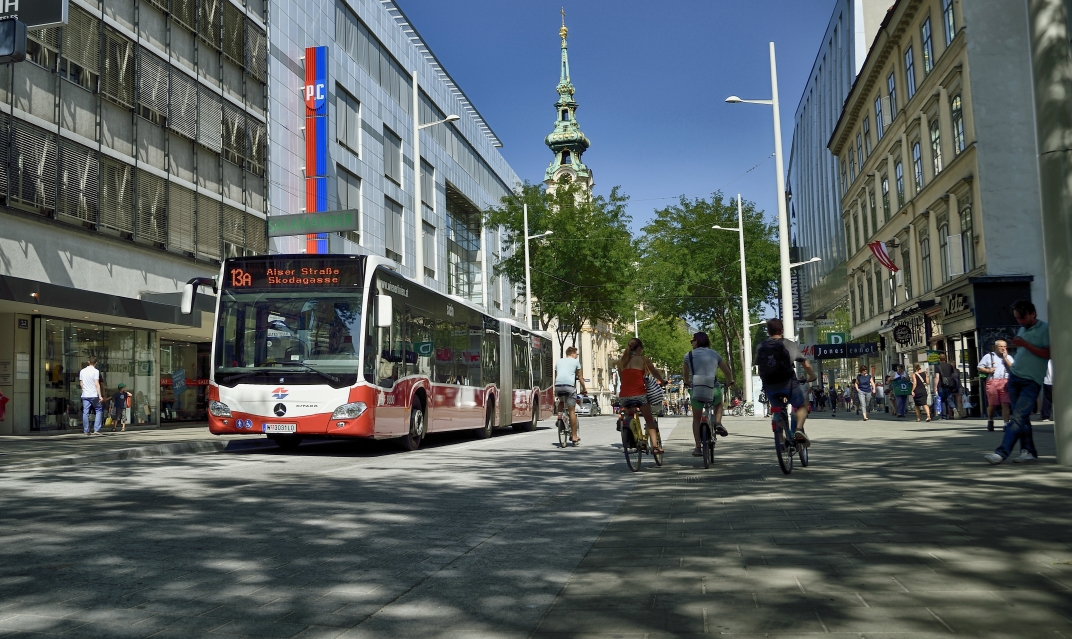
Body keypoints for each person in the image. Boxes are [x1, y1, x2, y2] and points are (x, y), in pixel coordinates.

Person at [985, 300, 1050, 464]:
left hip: (1031, 380)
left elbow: (1047, 353)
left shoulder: (1045, 329)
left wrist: (1024, 344)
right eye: (1017, 318)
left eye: (1022, 317)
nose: (1019, 321)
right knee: (1022, 418)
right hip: (1015, 377)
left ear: (1032, 314)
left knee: (1017, 417)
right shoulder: (1022, 328)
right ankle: (1028, 451)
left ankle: (1001, 452)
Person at [756, 318, 816, 446]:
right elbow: (805, 362)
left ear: (768, 331)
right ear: (782, 330)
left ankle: (781, 440)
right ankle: (799, 429)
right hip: (788, 383)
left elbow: (760, 371)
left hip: (770, 385)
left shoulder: (760, 347)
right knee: (801, 406)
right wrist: (812, 375)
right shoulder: (790, 344)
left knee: (777, 410)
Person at [683, 332, 734, 456]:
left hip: (697, 390)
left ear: (697, 341)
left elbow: (685, 374)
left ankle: (697, 447)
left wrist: (687, 382)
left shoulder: (688, 355)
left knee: (696, 419)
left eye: (692, 341)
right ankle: (717, 423)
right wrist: (729, 381)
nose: (692, 343)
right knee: (718, 404)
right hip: (713, 389)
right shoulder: (714, 354)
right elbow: (727, 371)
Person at [617, 338, 666, 454]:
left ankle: (632, 434)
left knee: (630, 414)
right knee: (649, 420)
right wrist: (662, 381)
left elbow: (622, 379)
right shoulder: (643, 360)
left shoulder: (620, 362)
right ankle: (654, 446)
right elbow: (654, 372)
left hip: (624, 395)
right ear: (639, 348)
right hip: (639, 394)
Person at [554, 346, 588, 446]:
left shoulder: (559, 361)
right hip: (569, 387)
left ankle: (559, 417)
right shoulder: (575, 362)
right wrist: (584, 389)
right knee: (571, 411)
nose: (577, 356)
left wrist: (554, 390)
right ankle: (574, 436)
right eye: (576, 354)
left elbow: (556, 377)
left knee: (561, 401)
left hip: (558, 387)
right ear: (572, 353)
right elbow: (580, 377)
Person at [978, 340, 1012, 431]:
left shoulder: (1008, 357)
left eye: (1004, 346)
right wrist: (988, 371)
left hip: (1005, 381)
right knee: (992, 404)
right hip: (992, 381)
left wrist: (1006, 359)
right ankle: (990, 420)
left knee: (1005, 403)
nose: (1003, 348)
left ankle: (1006, 424)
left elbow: (1013, 368)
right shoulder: (989, 356)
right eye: (1001, 346)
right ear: (995, 347)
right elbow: (980, 367)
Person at [79, 357, 104, 436]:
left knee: (85, 412)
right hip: (93, 394)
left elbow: (81, 383)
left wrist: (84, 390)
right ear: (96, 363)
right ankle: (96, 429)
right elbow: (97, 384)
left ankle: (86, 430)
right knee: (99, 409)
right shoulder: (96, 371)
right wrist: (100, 395)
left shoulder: (82, 371)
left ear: (88, 362)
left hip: (85, 394)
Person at [934, 353, 960, 420]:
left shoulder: (937, 366)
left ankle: (944, 416)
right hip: (949, 385)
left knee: (943, 400)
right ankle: (954, 408)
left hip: (941, 385)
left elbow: (937, 377)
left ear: (939, 359)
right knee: (949, 398)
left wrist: (935, 387)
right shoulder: (950, 366)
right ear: (945, 359)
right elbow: (952, 376)